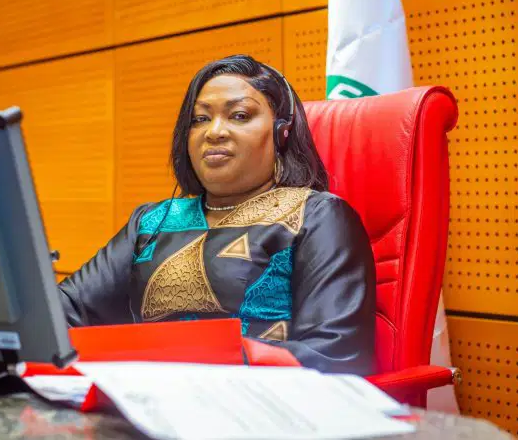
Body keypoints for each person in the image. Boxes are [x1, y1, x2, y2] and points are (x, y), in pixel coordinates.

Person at [59, 55, 376, 374]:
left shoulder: (317, 216)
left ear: (282, 131)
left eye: (239, 115)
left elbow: (336, 352)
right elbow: (65, 311)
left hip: (257, 397)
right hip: (146, 393)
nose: (214, 132)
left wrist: (202, 359)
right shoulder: (152, 221)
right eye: (200, 119)